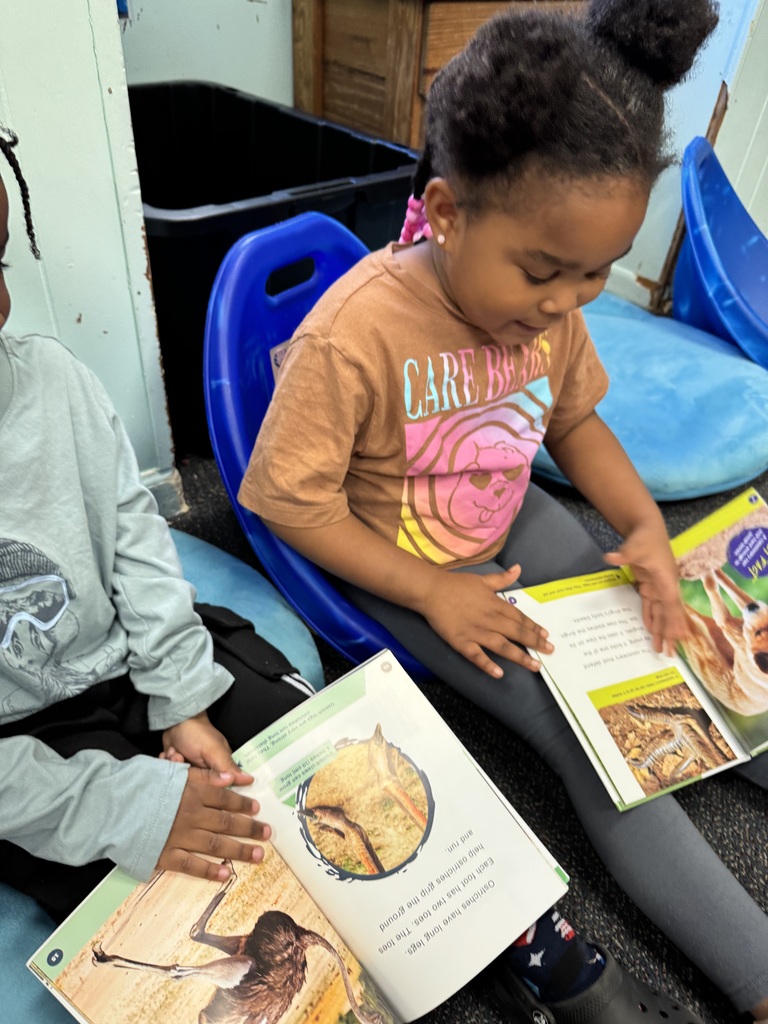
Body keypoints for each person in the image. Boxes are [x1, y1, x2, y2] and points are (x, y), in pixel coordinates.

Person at [240, 0, 768, 1020]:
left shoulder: (552, 309)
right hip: (398, 560)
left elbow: (574, 428)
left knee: (687, 644)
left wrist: (645, 529)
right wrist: (436, 589)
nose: (568, 300)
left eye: (595, 272)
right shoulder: (355, 331)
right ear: (443, 213)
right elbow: (283, 501)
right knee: (594, 741)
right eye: (542, 271)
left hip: (508, 517)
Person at [0, 127, 313, 927]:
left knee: (311, 753)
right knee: (164, 915)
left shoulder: (55, 381)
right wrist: (118, 806)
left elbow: (138, 542)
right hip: (25, 759)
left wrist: (180, 697)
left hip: (135, 661)